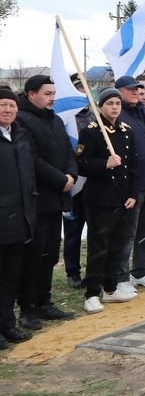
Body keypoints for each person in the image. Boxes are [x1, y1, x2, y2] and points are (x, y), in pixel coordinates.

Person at [15, 74, 77, 329]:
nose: (53, 98)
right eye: (48, 94)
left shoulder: (56, 120)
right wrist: (60, 180)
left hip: (57, 199)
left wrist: (71, 174)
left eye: (54, 94)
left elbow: (69, 151)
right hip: (36, 201)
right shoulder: (22, 120)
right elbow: (32, 159)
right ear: (32, 94)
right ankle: (28, 308)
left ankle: (44, 301)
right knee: (33, 256)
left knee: (50, 254)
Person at [76, 88, 140, 314]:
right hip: (100, 200)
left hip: (123, 199)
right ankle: (91, 293)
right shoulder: (91, 132)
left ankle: (110, 288)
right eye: (110, 103)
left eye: (118, 104)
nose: (115, 107)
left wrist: (133, 194)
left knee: (117, 246)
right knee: (99, 248)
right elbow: (81, 165)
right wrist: (105, 164)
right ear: (101, 106)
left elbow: (133, 166)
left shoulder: (127, 131)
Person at [115, 75, 145, 291]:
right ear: (119, 92)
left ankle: (139, 271)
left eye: (137, 89)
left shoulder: (143, 112)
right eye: (130, 89)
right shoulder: (120, 115)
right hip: (131, 185)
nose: (135, 92)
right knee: (127, 232)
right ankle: (121, 276)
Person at [0, 88, 37, 345]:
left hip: (19, 219)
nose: (8, 110)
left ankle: (7, 325)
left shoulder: (20, 136)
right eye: (2, 105)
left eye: (12, 106)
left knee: (10, 277)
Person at [62, 73, 94, 289]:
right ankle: (72, 271)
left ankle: (94, 269)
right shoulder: (65, 118)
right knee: (73, 231)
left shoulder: (95, 116)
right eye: (78, 89)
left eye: (85, 89)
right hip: (73, 182)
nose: (83, 93)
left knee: (96, 229)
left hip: (94, 180)